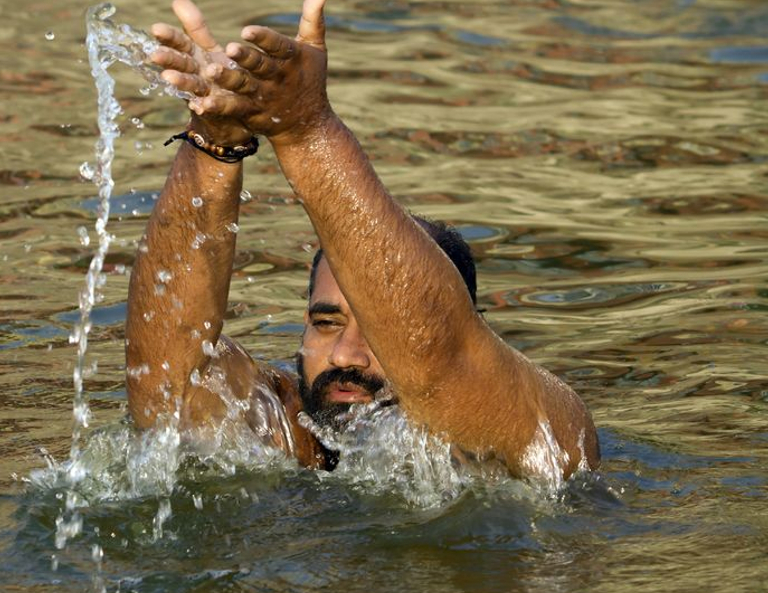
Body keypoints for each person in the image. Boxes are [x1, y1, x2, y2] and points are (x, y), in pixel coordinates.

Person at [125, 0, 599, 479]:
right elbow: (165, 388)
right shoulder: (292, 429)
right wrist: (213, 142)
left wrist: (305, 130)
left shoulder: (546, 424)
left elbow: (442, 363)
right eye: (326, 323)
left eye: (375, 328)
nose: (346, 356)